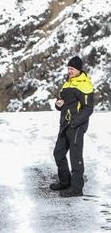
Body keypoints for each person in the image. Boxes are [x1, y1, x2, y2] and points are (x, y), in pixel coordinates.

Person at [51, 56, 95, 197]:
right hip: (65, 124)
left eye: (72, 69)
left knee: (75, 156)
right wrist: (59, 104)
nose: (69, 71)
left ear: (78, 70)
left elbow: (88, 108)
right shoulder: (67, 83)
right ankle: (65, 182)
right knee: (58, 153)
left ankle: (76, 188)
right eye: (68, 68)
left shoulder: (85, 85)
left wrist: (75, 122)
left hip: (76, 125)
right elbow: (65, 103)